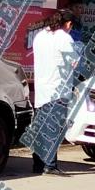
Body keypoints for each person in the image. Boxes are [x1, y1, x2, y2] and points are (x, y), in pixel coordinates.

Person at [32, 9, 77, 176]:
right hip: (58, 89)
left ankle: (38, 163)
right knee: (53, 129)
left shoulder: (40, 36)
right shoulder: (64, 38)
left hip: (42, 88)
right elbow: (74, 62)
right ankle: (49, 165)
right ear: (68, 24)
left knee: (40, 128)